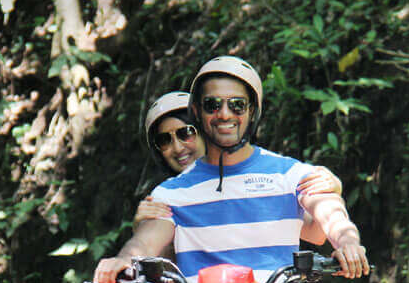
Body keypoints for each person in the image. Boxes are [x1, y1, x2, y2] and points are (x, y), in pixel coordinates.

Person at [93, 56, 368, 283]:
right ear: (197, 112)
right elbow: (144, 242)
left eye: (237, 105)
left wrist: (348, 243)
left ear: (252, 112)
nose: (225, 114)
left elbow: (328, 211)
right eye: (213, 105)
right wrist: (124, 259)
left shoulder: (290, 174)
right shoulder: (170, 193)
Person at [136, 92, 342, 247]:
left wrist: (330, 189)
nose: (178, 147)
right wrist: (143, 229)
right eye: (164, 140)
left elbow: (316, 234)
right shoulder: (168, 200)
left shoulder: (257, 182)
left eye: (186, 133)